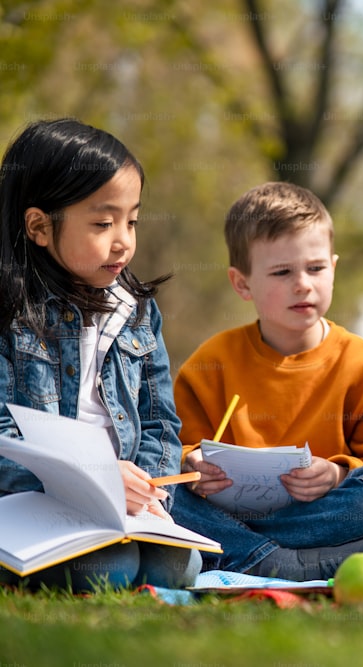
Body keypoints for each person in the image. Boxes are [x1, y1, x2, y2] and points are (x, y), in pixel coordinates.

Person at [169, 182, 363, 580]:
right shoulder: (211, 363)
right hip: (226, 511)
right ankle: (279, 560)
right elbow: (177, 451)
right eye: (282, 272)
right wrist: (192, 464)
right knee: (166, 496)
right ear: (242, 283)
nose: (303, 283)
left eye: (316, 268)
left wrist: (337, 473)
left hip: (322, 511)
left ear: (334, 267)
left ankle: (249, 552)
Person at [0, 118, 200, 591]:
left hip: (120, 513)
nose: (123, 241)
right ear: (39, 226)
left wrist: (149, 491)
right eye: (102, 223)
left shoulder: (136, 312)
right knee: (110, 570)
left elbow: (159, 423)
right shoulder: (9, 312)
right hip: (31, 502)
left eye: (131, 221)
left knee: (178, 567)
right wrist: (93, 478)